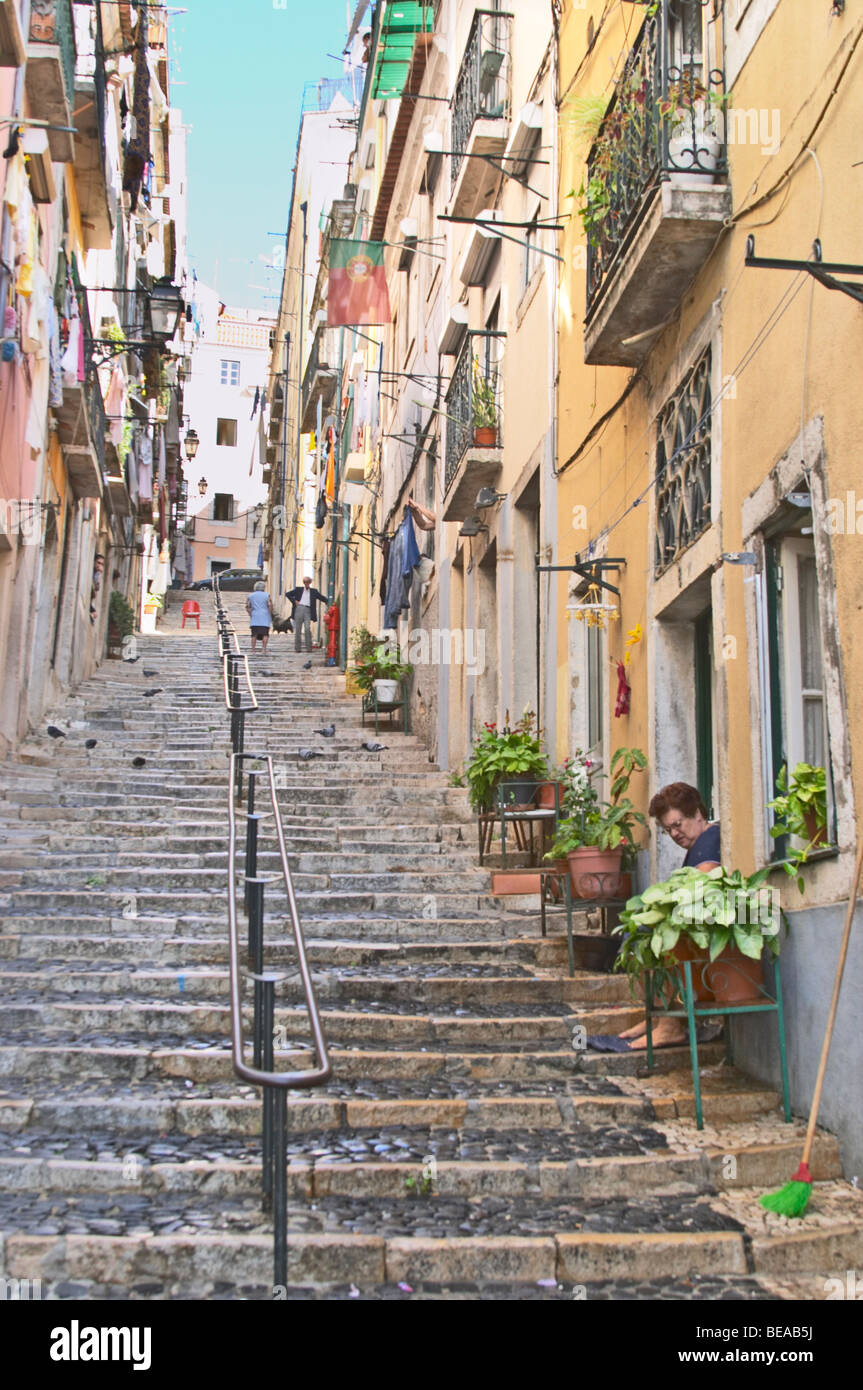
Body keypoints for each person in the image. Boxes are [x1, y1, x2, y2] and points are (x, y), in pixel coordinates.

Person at [618, 783, 720, 1049]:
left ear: (698, 813)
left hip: (708, 937)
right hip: (693, 924)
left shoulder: (712, 839)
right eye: (668, 829)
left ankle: (671, 1025)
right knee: (636, 932)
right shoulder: (698, 844)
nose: (674, 833)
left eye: (678, 824)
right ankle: (659, 1016)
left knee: (649, 935)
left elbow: (703, 883)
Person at [285, 575, 328, 654]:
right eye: (305, 582)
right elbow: (287, 594)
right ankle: (297, 648)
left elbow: (321, 597)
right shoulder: (298, 589)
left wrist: (328, 601)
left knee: (307, 628)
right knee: (298, 629)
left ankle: (309, 648)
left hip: (308, 610)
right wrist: (294, 601)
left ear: (310, 583)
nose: (306, 583)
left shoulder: (314, 591)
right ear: (303, 583)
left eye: (308, 582)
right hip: (299, 609)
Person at [246, 581, 272, 654]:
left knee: (254, 634)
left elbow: (248, 606)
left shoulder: (250, 596)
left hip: (255, 616)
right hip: (265, 616)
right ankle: (263, 649)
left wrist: (250, 614)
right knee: (265, 634)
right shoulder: (267, 595)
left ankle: (253, 649)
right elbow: (269, 605)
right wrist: (270, 614)